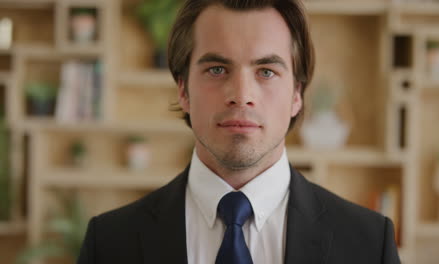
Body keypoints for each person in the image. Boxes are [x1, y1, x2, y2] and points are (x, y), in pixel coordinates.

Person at [77, 0, 401, 263]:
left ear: (297, 95)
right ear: (183, 91)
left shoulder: (370, 244)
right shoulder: (108, 243)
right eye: (217, 69)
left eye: (266, 71)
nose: (242, 94)